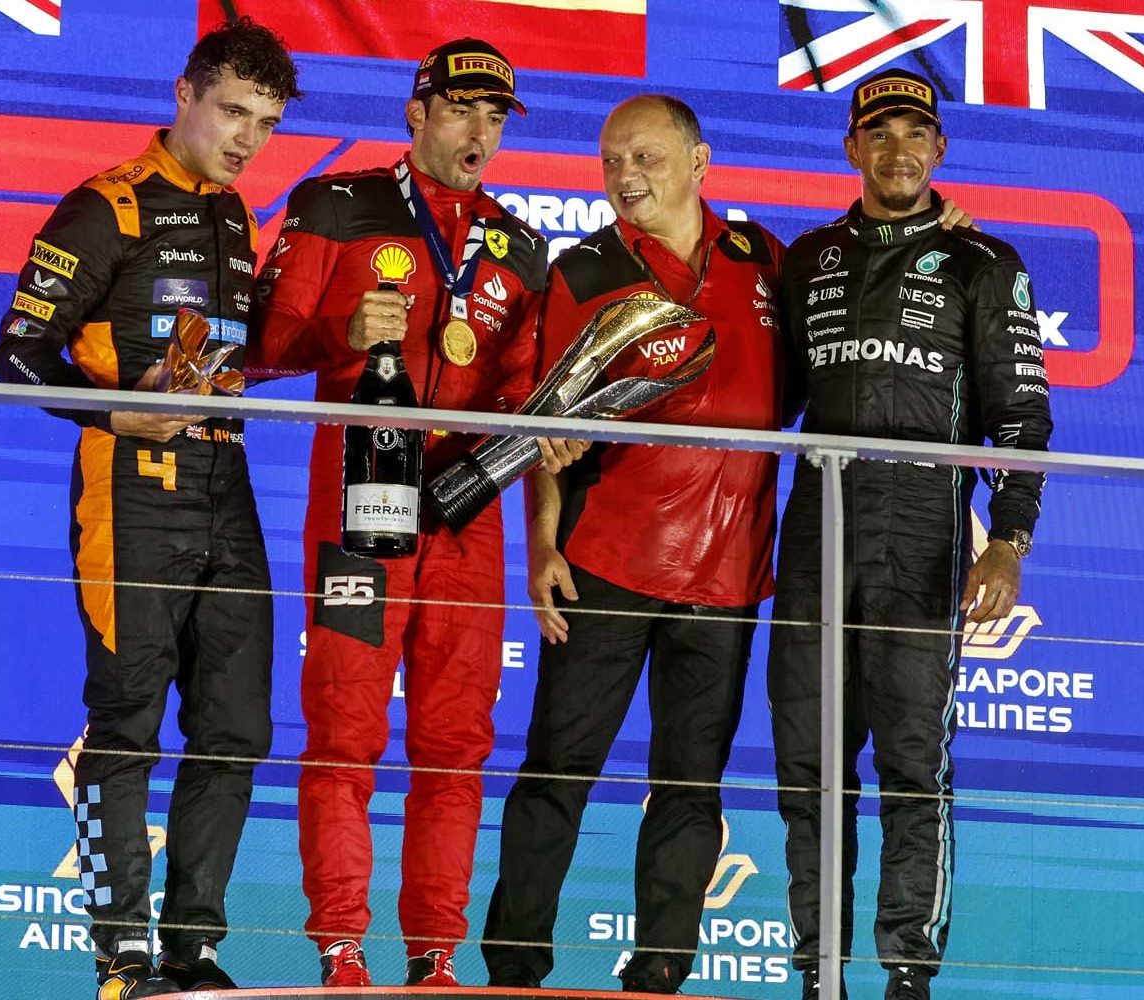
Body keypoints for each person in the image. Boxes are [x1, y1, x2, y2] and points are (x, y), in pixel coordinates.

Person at [251, 37, 580, 989]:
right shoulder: (337, 205)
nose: (479, 132)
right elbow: (263, 349)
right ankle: (342, 951)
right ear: (416, 111)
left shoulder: (520, 246)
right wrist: (339, 334)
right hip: (360, 509)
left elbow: (521, 391)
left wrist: (545, 434)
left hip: (468, 520)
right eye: (461, 110)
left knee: (455, 743)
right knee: (344, 729)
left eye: (495, 117)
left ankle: (435, 957)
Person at [0, 18, 299, 999]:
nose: (247, 138)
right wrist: (116, 410)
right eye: (233, 112)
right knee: (123, 728)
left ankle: (191, 951)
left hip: (230, 485)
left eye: (266, 121)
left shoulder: (240, 216)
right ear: (185, 94)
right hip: (128, 490)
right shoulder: (104, 208)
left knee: (237, 728)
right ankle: (120, 957)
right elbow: (14, 356)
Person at [479, 95, 786, 995]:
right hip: (604, 560)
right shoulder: (584, 269)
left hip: (727, 575)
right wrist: (542, 544)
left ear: (699, 161)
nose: (624, 177)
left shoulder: (764, 258)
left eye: (646, 158)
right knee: (555, 773)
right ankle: (514, 969)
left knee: (692, 786)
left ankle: (660, 972)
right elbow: (547, 425)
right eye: (611, 161)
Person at [768, 68, 1054, 1000]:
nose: (897, 151)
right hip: (817, 522)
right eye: (878, 134)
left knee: (909, 758)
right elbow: (764, 406)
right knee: (811, 758)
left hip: (925, 526)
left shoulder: (986, 264)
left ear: (940, 150)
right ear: (851, 149)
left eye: (914, 134)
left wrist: (1006, 540)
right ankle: (818, 968)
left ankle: (906, 976)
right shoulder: (807, 258)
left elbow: (1021, 418)